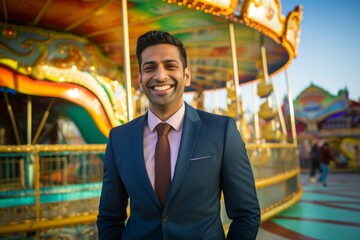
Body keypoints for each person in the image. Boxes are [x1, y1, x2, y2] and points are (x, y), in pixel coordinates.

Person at [97, 31, 260, 239]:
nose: (160, 75)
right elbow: (109, 217)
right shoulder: (119, 138)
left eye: (170, 66)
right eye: (150, 68)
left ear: (187, 75)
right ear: (140, 79)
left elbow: (247, 214)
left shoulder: (222, 131)